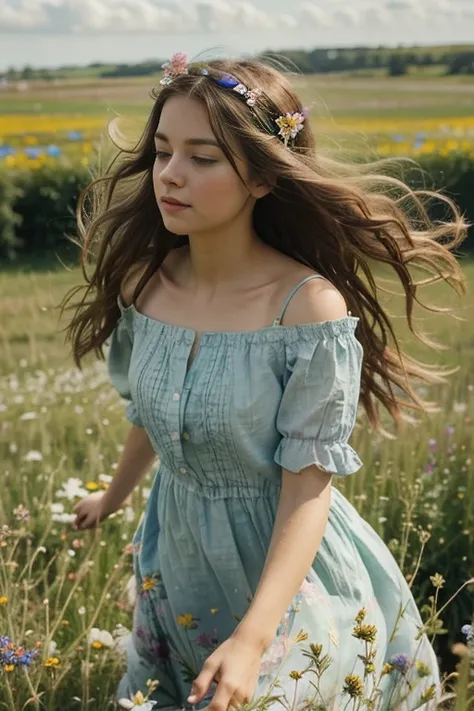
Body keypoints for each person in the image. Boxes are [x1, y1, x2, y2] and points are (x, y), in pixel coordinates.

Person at [64, 53, 467, 711]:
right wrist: (112, 495)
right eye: (163, 150)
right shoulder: (148, 284)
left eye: (203, 157)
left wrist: (255, 636)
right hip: (179, 558)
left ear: (260, 177)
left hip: (286, 569)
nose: (170, 174)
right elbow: (154, 412)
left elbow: (309, 487)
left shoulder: (306, 308)